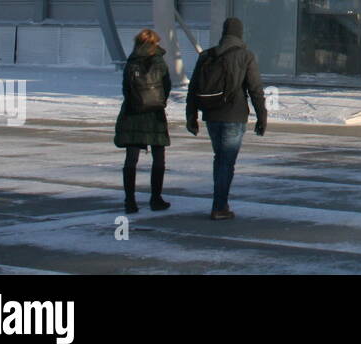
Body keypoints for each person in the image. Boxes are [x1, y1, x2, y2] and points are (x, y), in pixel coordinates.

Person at [186, 17, 268, 220]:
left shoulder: (207, 55)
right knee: (226, 161)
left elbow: (193, 87)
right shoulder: (245, 56)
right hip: (235, 115)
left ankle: (220, 201)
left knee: (220, 158)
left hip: (212, 114)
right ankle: (219, 206)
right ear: (240, 33)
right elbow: (255, 89)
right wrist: (261, 116)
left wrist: (191, 116)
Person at [114, 29, 172, 214]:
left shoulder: (131, 62)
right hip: (154, 114)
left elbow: (126, 89)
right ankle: (156, 198)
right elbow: (167, 87)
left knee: (131, 159)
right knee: (159, 158)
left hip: (132, 113)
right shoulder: (159, 61)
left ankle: (130, 201)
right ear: (154, 43)